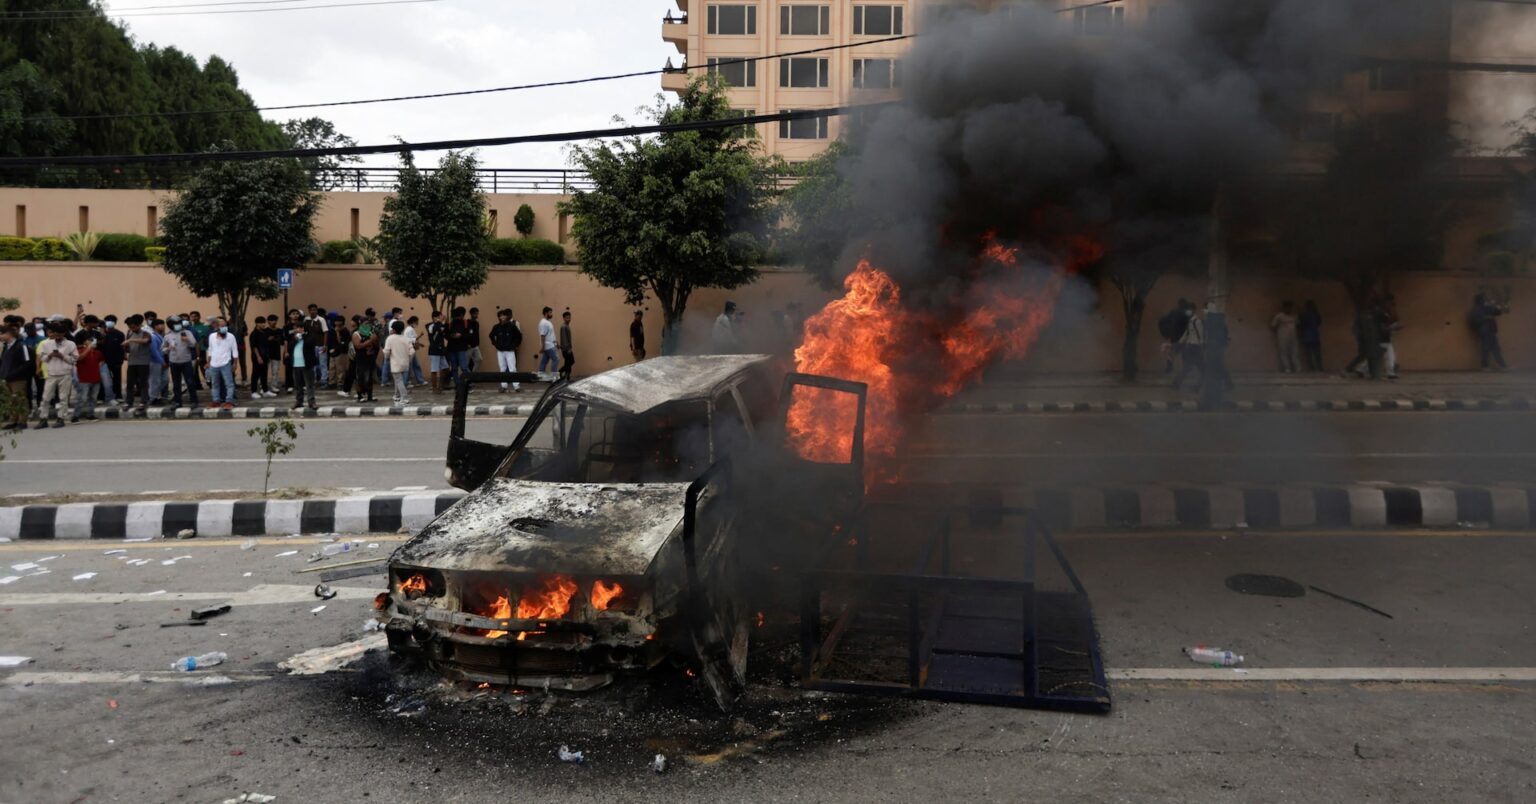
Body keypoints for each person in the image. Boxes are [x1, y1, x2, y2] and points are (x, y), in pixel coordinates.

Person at [36, 322, 78, 428]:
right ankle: (43, 419)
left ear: (64, 333)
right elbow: (42, 358)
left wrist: (62, 356)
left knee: (63, 398)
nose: (58, 336)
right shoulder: (46, 344)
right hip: (51, 374)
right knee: (46, 398)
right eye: (56, 334)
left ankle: (61, 418)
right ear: (53, 333)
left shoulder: (70, 344)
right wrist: (50, 355)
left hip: (65, 374)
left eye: (61, 334)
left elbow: (74, 359)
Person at [1, 325, 34, 431]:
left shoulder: (21, 346)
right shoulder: (6, 346)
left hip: (18, 378)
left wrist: (15, 373)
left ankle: (22, 421)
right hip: (6, 378)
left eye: (2, 333)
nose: (0, 336)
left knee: (20, 399)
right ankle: (13, 421)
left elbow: (27, 363)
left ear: (9, 334)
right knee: (11, 400)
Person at [162, 318, 200, 407]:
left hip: (186, 361)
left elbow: (194, 344)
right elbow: (163, 349)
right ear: (171, 325)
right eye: (176, 324)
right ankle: (178, 401)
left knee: (190, 382)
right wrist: (168, 348)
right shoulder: (167, 336)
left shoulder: (187, 333)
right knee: (176, 383)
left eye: (179, 323)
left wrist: (187, 340)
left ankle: (194, 401)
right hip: (173, 362)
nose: (178, 325)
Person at [285, 313, 319, 411]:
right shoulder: (294, 338)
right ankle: (299, 401)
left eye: (299, 328)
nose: (297, 330)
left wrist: (302, 337)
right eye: (296, 328)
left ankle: (311, 402)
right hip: (296, 364)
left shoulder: (309, 336)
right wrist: (296, 339)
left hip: (307, 364)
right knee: (298, 385)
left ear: (303, 329)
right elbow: (290, 347)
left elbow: (310, 344)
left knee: (309, 385)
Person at [205, 317, 239, 409]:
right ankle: (216, 401)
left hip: (226, 363)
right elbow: (210, 350)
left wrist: (235, 363)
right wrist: (208, 362)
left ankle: (229, 401)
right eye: (221, 326)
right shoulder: (212, 336)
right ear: (216, 328)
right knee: (215, 384)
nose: (223, 327)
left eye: (224, 326)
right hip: (213, 364)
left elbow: (234, 351)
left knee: (229, 384)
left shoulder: (231, 336)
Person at [1343, 302, 1383, 379]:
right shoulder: (1365, 317)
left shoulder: (1372, 317)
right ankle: (1349, 369)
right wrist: (1360, 338)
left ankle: (1372, 374)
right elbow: (1357, 329)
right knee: (1365, 356)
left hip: (1370, 340)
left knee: (1368, 356)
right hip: (1366, 340)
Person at [1171, 303, 1205, 392]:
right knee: (1202, 369)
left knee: (1190, 368)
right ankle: (1195, 387)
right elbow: (1186, 335)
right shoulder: (1191, 321)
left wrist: (1201, 345)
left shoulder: (1197, 321)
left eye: (1189, 310)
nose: (1188, 312)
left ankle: (1178, 383)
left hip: (1195, 347)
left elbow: (1200, 335)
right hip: (1193, 348)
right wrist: (1178, 344)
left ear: (1193, 310)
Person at [122, 315, 152, 415]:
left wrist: (131, 341)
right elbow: (128, 347)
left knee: (143, 383)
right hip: (132, 362)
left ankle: (144, 401)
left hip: (143, 362)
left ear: (139, 325)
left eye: (134, 327)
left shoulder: (145, 333)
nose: (132, 329)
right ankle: (129, 402)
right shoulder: (129, 333)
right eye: (130, 327)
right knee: (130, 383)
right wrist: (125, 348)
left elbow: (145, 341)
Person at [1470, 293, 1507, 371]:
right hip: (1484, 332)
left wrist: (1493, 306)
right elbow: (1474, 322)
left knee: (1495, 349)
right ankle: (1485, 366)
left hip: (1491, 331)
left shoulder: (1487, 308)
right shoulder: (1476, 310)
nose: (1483, 301)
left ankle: (1502, 366)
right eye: (1482, 300)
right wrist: (1485, 319)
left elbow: (1498, 312)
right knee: (1486, 349)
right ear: (1479, 301)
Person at [489, 308, 523, 392]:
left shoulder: (512, 326)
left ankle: (516, 386)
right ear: (499, 317)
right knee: (502, 368)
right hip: (500, 351)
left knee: (512, 368)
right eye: (501, 316)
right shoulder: (496, 327)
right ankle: (503, 386)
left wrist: (515, 345)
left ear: (506, 317)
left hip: (510, 351)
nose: (503, 317)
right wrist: (495, 344)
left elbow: (519, 336)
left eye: (504, 315)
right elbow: (491, 336)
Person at [71, 336, 104, 422]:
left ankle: (90, 414)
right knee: (82, 398)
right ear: (85, 342)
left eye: (94, 341)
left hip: (96, 379)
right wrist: (88, 348)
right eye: (91, 341)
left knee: (93, 398)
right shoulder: (80, 351)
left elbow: (101, 361)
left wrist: (98, 367)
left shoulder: (98, 352)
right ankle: (75, 416)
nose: (94, 342)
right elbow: (79, 358)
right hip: (84, 379)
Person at [384, 320, 414, 406]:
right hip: (405, 363)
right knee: (397, 380)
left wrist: (387, 358)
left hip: (395, 363)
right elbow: (412, 351)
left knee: (398, 380)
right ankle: (396, 395)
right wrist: (409, 359)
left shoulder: (390, 338)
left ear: (393, 330)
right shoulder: (406, 339)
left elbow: (386, 351)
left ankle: (404, 398)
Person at [1157, 299, 1190, 374]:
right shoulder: (1185, 313)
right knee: (1184, 354)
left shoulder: (1173, 312)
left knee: (1172, 352)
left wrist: (1168, 332)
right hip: (1183, 338)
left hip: (1174, 337)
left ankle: (1170, 366)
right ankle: (1184, 370)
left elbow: (1166, 320)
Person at [351, 316, 379, 403]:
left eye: (369, 323)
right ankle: (360, 396)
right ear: (360, 323)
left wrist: (375, 339)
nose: (368, 325)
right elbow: (358, 346)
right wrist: (370, 341)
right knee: (361, 378)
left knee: (370, 378)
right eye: (365, 323)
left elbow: (376, 345)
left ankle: (370, 396)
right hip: (361, 359)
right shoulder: (356, 334)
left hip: (370, 358)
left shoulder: (370, 333)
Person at [1271, 300, 1301, 374]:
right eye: (1287, 307)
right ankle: (1287, 368)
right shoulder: (1279, 316)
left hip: (1293, 338)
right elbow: (1273, 326)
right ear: (1284, 308)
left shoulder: (1294, 316)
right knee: (1283, 353)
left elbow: (1298, 324)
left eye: (1290, 307)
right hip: (1282, 338)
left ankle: (1298, 368)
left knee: (1295, 352)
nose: (1289, 309)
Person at [1377, 294, 1401, 380]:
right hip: (1382, 337)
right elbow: (1382, 327)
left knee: (1382, 355)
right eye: (1390, 303)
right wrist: (1393, 327)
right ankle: (1390, 373)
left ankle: (1361, 369)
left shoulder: (1385, 313)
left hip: (1384, 337)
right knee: (1389, 356)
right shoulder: (1381, 313)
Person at [445, 306, 471, 385]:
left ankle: (468, 383)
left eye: (460, 315)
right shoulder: (450, 324)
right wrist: (452, 336)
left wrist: (461, 335)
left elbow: (469, 335)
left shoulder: (466, 323)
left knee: (464, 367)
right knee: (454, 368)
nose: (459, 317)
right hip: (452, 348)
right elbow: (446, 334)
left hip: (461, 348)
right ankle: (457, 384)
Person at [328, 313, 351, 397]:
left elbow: (343, 343)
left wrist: (338, 333)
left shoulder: (345, 331)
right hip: (332, 352)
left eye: (339, 324)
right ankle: (331, 382)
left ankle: (340, 383)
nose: (337, 325)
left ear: (342, 323)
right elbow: (329, 341)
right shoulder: (331, 331)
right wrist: (330, 349)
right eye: (336, 323)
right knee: (332, 368)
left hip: (341, 352)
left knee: (340, 369)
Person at [426, 310, 449, 394]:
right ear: (434, 317)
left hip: (441, 350)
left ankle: (440, 387)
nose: (441, 317)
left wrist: (443, 322)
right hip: (434, 350)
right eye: (440, 316)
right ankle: (434, 389)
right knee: (434, 370)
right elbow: (437, 329)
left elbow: (444, 330)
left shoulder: (441, 325)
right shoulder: (430, 326)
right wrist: (442, 322)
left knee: (445, 369)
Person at [248, 317, 272, 397]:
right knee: (255, 374)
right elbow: (254, 347)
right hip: (257, 358)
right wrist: (258, 357)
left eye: (264, 323)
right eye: (262, 323)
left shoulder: (264, 333)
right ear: (257, 323)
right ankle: (253, 391)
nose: (264, 324)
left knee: (264, 374)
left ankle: (265, 390)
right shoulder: (254, 333)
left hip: (265, 356)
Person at [1298, 300, 1323, 372]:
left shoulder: (1304, 315)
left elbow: (1301, 324)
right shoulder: (1316, 314)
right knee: (1316, 353)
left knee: (1309, 353)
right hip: (1314, 335)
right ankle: (1319, 367)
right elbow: (1319, 323)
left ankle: (1313, 368)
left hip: (1307, 336)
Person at [404, 315, 426, 387]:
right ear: (413, 322)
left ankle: (420, 380)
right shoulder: (410, 329)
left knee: (416, 365)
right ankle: (406, 382)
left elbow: (413, 339)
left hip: (411, 349)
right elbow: (411, 340)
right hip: (409, 350)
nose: (417, 323)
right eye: (417, 322)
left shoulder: (409, 329)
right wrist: (420, 338)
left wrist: (419, 344)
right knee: (409, 367)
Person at [537, 307, 558, 373]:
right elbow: (542, 335)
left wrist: (556, 343)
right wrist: (543, 347)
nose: (551, 314)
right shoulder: (543, 323)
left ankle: (540, 374)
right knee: (556, 359)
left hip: (550, 345)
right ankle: (553, 377)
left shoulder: (548, 322)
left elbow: (551, 335)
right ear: (546, 313)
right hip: (548, 346)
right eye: (550, 312)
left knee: (544, 361)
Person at [558, 309, 575, 382]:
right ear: (564, 318)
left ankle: (565, 375)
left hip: (567, 348)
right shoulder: (564, 327)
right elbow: (564, 339)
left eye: (569, 317)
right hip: (566, 349)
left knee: (569, 362)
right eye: (567, 317)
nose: (569, 319)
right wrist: (568, 349)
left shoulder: (567, 326)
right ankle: (564, 375)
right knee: (570, 362)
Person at [467, 307, 484, 372]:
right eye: (475, 314)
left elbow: (476, 334)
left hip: (475, 346)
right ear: (471, 314)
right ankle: (465, 376)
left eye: (477, 314)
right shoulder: (467, 323)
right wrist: (467, 343)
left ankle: (473, 374)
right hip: (468, 346)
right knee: (466, 363)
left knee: (479, 359)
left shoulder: (476, 323)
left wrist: (477, 344)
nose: (477, 315)